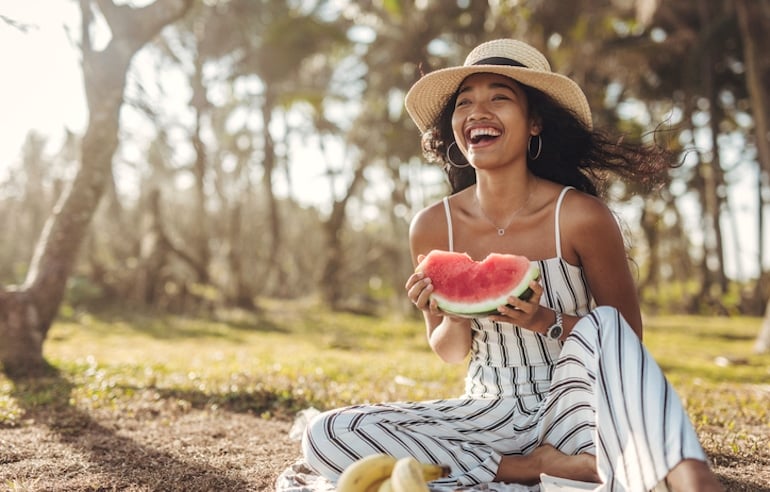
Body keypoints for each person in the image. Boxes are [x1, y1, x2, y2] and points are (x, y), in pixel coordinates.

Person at [299, 39, 724, 491]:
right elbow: (449, 351)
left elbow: (623, 337)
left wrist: (546, 320)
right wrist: (445, 312)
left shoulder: (580, 216)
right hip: (486, 410)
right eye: (465, 104)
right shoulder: (431, 225)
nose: (477, 112)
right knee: (326, 434)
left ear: (534, 122)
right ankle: (526, 470)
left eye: (499, 97)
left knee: (609, 344)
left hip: (574, 406)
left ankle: (689, 476)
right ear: (456, 129)